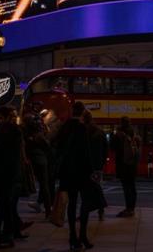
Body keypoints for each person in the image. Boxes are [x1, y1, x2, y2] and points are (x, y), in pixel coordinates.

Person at [56, 101, 93, 252]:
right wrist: (91, 171)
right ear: (83, 112)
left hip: (66, 172)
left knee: (71, 204)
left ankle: (72, 237)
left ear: (72, 111)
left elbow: (58, 148)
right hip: (80, 172)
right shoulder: (82, 128)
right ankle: (83, 236)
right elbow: (86, 153)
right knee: (85, 204)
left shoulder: (64, 127)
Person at [0, 106, 25, 247]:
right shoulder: (14, 131)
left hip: (1, 171)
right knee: (6, 205)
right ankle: (2, 234)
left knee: (5, 205)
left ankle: (0, 234)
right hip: (9, 171)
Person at [24, 114, 53, 217]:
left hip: (31, 161)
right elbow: (47, 146)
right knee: (45, 185)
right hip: (40, 160)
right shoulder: (39, 135)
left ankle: (43, 205)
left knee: (42, 185)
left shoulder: (27, 135)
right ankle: (48, 210)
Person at [111, 116, 140, 218]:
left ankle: (128, 209)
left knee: (126, 188)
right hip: (133, 165)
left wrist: (113, 133)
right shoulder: (134, 134)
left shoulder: (119, 135)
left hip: (123, 165)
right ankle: (131, 208)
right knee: (132, 187)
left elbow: (112, 147)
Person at [82, 110, 108, 221]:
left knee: (85, 189)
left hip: (86, 164)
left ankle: (85, 211)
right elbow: (106, 149)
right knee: (97, 186)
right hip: (98, 164)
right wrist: (102, 162)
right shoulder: (100, 132)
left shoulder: (83, 131)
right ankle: (101, 210)